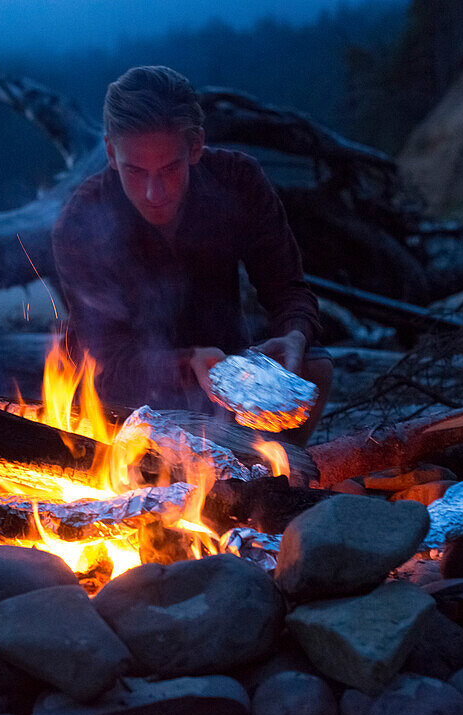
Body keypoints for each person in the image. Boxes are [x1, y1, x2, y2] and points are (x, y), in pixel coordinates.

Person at [51, 65, 332, 445]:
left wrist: (295, 335)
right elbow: (107, 363)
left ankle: (270, 478)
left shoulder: (237, 182)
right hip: (128, 399)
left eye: (169, 169)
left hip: (227, 384)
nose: (154, 192)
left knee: (315, 368)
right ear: (111, 154)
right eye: (135, 171)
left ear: (196, 146)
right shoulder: (82, 222)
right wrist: (186, 364)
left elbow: (288, 290)